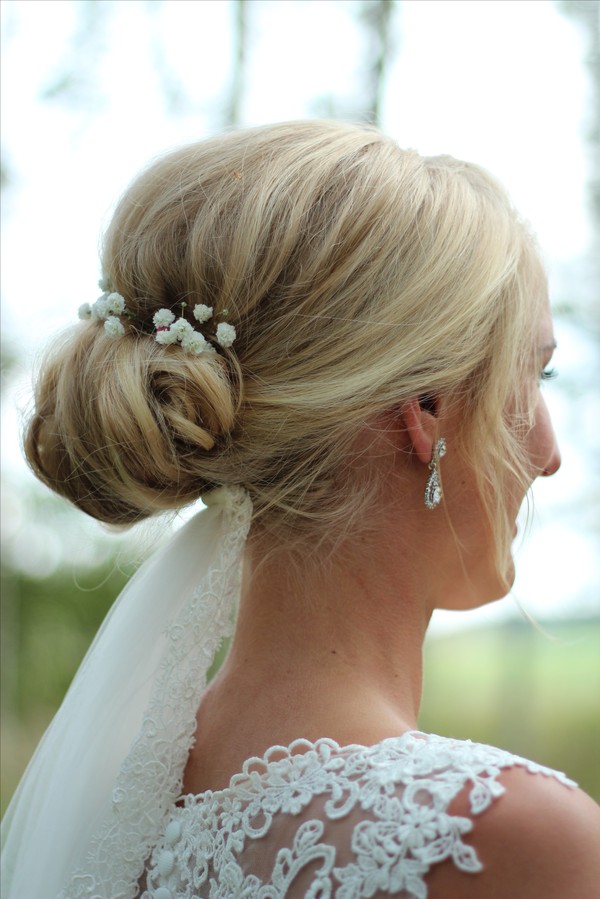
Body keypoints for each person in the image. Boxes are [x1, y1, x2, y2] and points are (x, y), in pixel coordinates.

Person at [1, 120, 598, 899]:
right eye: (535, 376)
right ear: (429, 405)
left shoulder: (106, 808)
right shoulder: (508, 838)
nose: (550, 454)